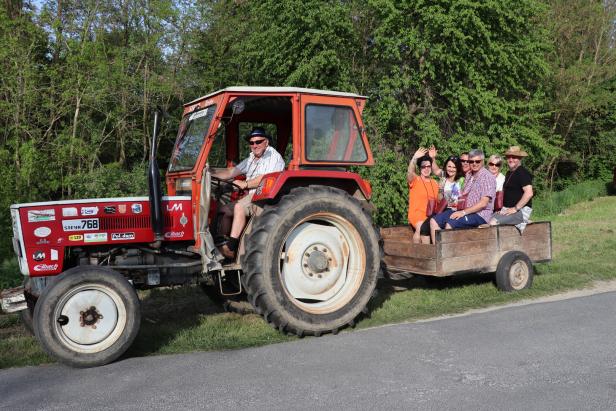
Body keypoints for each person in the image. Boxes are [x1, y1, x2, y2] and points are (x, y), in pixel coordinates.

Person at [212, 127, 285, 258]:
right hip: (251, 196)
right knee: (224, 210)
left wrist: (245, 184)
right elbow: (230, 172)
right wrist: (210, 174)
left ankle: (231, 247)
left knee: (238, 207)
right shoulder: (251, 159)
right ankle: (221, 243)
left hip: (265, 197)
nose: (254, 145)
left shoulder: (274, 156)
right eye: (252, 143)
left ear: (266, 142)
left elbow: (267, 178)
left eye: (258, 142)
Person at [430, 149, 496, 243]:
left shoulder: (487, 177)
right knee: (433, 221)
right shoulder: (469, 174)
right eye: (471, 161)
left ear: (482, 161)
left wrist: (463, 212)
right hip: (463, 210)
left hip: (480, 214)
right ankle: (437, 252)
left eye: (477, 161)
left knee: (450, 224)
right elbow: (439, 172)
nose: (474, 163)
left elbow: (483, 204)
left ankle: (447, 255)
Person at [489, 146, 533, 230]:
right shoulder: (509, 173)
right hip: (507, 210)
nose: (511, 159)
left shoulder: (522, 172)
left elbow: (529, 193)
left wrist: (515, 208)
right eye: (509, 157)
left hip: (520, 212)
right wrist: (501, 208)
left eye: (514, 157)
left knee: (493, 222)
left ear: (520, 158)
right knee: (485, 219)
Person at [407, 148, 439, 244]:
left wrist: (433, 158)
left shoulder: (435, 183)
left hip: (431, 215)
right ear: (420, 168)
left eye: (428, 166)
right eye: (423, 167)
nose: (426, 169)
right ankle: (423, 254)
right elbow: (409, 173)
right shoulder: (416, 180)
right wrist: (414, 158)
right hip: (417, 214)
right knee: (422, 226)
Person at [427, 147, 464, 211]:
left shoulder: (462, 180)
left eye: (454, 167)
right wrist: (432, 158)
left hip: (456, 211)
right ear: (446, 166)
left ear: (458, 168)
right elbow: (436, 170)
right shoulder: (444, 177)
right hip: (443, 209)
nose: (451, 169)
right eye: (449, 166)